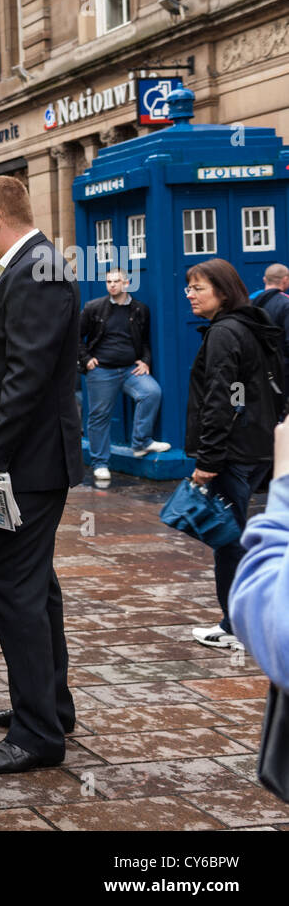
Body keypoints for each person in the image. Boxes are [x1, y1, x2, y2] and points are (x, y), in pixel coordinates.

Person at [0, 175, 81, 774]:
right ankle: (48, 707)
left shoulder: (36, 269)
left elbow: (26, 374)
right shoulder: (29, 266)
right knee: (37, 590)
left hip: (24, 466)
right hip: (26, 462)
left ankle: (36, 735)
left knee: (14, 592)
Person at [183, 258, 281, 650]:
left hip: (232, 453)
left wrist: (208, 460)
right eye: (188, 287)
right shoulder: (250, 325)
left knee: (229, 542)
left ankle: (236, 627)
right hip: (257, 447)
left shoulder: (224, 333)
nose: (189, 294)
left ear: (222, 292)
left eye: (198, 288)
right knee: (240, 536)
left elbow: (221, 400)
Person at [79, 267, 170, 482]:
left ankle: (140, 443)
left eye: (116, 281)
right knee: (99, 416)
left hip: (130, 369)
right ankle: (100, 463)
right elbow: (76, 336)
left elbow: (145, 341)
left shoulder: (140, 309)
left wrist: (145, 361)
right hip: (101, 370)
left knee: (152, 392)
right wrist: (86, 360)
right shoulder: (94, 308)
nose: (112, 285)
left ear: (127, 283)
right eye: (109, 281)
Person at [231, 413, 289, 689]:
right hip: (250, 449)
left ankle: (224, 625)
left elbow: (277, 637)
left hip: (237, 451)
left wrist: (285, 484)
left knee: (229, 541)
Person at [246, 263, 289, 377]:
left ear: (264, 279)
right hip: (281, 370)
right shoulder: (286, 304)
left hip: (256, 369)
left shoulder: (249, 303)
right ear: (285, 279)